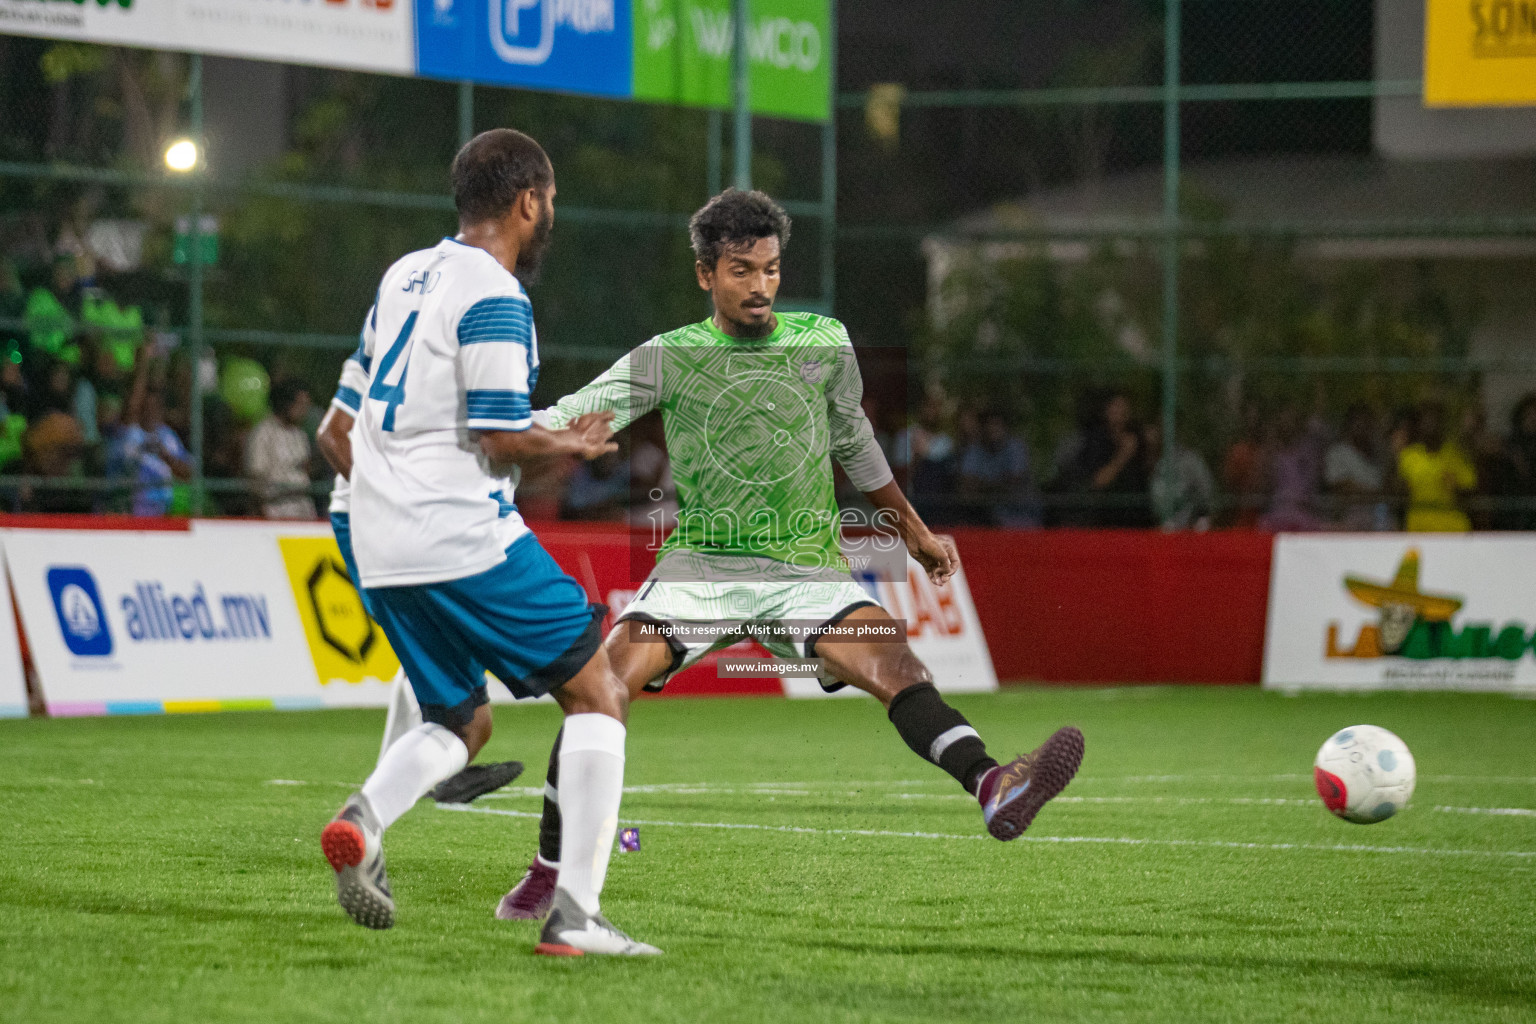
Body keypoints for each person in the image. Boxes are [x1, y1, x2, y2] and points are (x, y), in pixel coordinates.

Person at [497, 188, 1084, 920]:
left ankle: (994, 784)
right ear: (706, 274)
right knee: (601, 685)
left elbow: (855, 444)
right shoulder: (670, 357)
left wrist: (912, 529)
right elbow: (570, 415)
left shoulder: (824, 343)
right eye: (741, 270)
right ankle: (551, 870)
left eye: (771, 270)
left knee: (900, 668)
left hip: (808, 571)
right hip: (702, 569)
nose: (760, 287)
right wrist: (506, 438)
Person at [319, 128, 657, 956]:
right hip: (460, 533)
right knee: (599, 691)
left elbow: (335, 430)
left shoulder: (403, 275)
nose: (550, 219)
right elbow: (499, 437)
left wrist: (391, 499)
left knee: (461, 720)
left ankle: (363, 819)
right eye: (550, 204)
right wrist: (570, 444)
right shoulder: (496, 294)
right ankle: (576, 916)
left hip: (381, 540)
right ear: (527, 201)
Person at [118, 353, 193, 517]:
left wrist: (166, 456)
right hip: (134, 509)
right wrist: (144, 361)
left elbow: (189, 472)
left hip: (165, 509)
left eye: (156, 408)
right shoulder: (130, 434)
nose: (151, 412)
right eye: (147, 407)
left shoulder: (168, 436)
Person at [1071, 390, 1150, 527]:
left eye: (1124, 406)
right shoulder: (1096, 441)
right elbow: (1097, 481)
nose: (1121, 411)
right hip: (1106, 520)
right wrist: (1123, 456)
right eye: (1116, 406)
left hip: (1137, 520)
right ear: (1106, 411)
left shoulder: (1137, 437)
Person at [1396, 401, 1475, 533]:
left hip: (1451, 525)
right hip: (1419, 526)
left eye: (1435, 421)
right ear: (1419, 426)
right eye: (1426, 421)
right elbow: (1397, 492)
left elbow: (1471, 490)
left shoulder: (1455, 454)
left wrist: (1455, 486)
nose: (1430, 426)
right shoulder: (1408, 455)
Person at [246, 377, 318, 520]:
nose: (304, 411)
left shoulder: (300, 434)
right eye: (300, 405)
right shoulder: (264, 432)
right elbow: (256, 475)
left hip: (303, 506)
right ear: (286, 403)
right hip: (275, 508)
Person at [958, 409, 1040, 527]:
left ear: (1005, 427)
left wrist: (983, 486)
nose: (992, 429)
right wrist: (998, 484)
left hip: (1019, 513)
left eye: (996, 425)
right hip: (982, 514)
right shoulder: (974, 449)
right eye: (988, 425)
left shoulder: (1016, 448)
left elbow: (1014, 482)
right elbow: (966, 484)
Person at [1324, 404, 1388, 531]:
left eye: (1367, 422)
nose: (1363, 426)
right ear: (1348, 425)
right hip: (1348, 517)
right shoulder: (1337, 453)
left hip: (1378, 517)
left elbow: (1388, 485)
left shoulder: (1378, 455)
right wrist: (1377, 493)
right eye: (1358, 421)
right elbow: (1341, 487)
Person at [1143, 419, 1215, 531]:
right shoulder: (1141, 458)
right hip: (1150, 528)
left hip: (1185, 527)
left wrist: (1198, 518)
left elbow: (1206, 494)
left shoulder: (1188, 460)